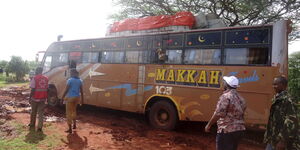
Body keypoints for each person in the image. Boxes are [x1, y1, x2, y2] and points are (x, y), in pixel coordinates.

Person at [205, 76, 246, 150]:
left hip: (226, 130)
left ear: (227, 85)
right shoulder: (241, 98)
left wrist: (209, 125)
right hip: (239, 130)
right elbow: (243, 110)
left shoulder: (225, 96)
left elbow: (219, 113)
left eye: (224, 82)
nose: (223, 83)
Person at [264, 76, 299, 150]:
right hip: (273, 138)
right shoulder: (277, 98)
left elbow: (291, 121)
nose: (274, 86)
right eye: (273, 84)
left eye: (276, 84)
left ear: (283, 85)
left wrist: (282, 140)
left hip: (281, 140)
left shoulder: (288, 100)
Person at [62, 68, 84, 133]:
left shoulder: (70, 80)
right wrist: (82, 100)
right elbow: (82, 91)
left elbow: (66, 90)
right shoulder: (80, 80)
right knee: (74, 111)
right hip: (77, 98)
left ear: (73, 73)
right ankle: (74, 125)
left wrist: (62, 97)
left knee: (68, 112)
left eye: (71, 73)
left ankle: (70, 129)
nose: (70, 74)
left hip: (71, 98)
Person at [29, 67, 48, 132]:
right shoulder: (46, 78)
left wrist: (29, 97)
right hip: (42, 99)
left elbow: (33, 89)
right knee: (41, 114)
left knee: (33, 112)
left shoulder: (35, 78)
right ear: (42, 71)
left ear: (37, 71)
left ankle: (32, 124)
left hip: (35, 98)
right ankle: (40, 127)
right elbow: (47, 89)